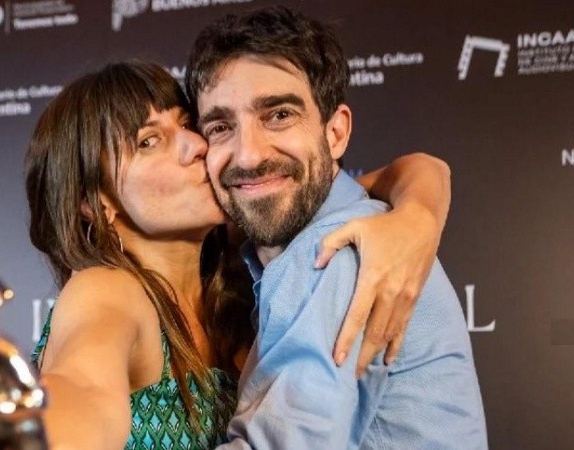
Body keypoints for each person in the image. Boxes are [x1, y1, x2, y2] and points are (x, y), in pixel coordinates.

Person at [25, 61, 451, 449]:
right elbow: (80, 389)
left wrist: (418, 214)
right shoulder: (107, 289)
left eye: (187, 124)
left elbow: (411, 170)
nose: (194, 146)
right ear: (96, 203)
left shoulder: (245, 264)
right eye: (149, 141)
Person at [186, 6, 487, 449]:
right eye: (221, 126)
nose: (248, 154)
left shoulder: (334, 250)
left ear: (335, 133)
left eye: (279, 115)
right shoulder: (327, 233)